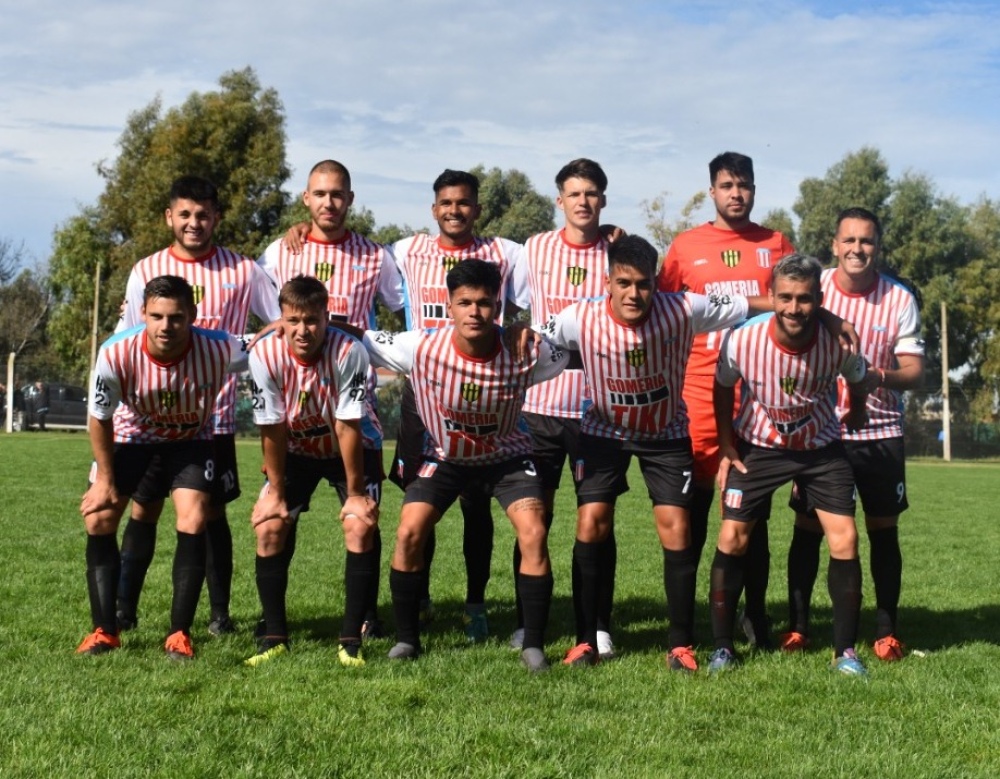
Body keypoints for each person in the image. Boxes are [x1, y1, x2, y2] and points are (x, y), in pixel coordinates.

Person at [543, 234, 770, 670]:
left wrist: (822, 316)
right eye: (624, 283)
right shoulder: (579, 318)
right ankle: (584, 641)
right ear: (607, 281)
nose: (634, 294)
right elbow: (534, 340)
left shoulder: (684, 308)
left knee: (677, 529)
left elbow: (751, 304)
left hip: (665, 433)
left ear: (656, 283)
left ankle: (680, 644)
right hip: (603, 432)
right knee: (591, 523)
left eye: (643, 284)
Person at [344, 259, 567, 671]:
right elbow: (356, 331)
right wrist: (279, 327)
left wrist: (529, 329)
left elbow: (570, 347)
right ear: (448, 306)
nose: (475, 312)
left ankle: (533, 643)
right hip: (445, 458)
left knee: (534, 531)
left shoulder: (525, 352)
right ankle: (407, 640)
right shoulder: (420, 347)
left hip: (507, 457)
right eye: (465, 302)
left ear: (498, 307)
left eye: (485, 303)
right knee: (410, 531)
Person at [114, 175, 280, 636]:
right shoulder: (144, 271)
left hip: (213, 417)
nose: (194, 223)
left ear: (216, 218)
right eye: (185, 214)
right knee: (142, 509)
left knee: (210, 512)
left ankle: (219, 614)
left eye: (203, 214)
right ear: (169, 216)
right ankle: (125, 607)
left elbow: (278, 322)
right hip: (146, 417)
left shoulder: (242, 271)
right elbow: (127, 339)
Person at [655, 151, 795, 648]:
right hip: (697, 394)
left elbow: (793, 313)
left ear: (754, 190)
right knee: (689, 511)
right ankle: (688, 620)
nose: (737, 193)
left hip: (757, 398)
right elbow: (665, 318)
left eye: (745, 185)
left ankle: (754, 617)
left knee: (751, 514)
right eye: (727, 185)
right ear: (711, 191)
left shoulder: (776, 244)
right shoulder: (685, 247)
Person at [260, 159, 403, 638]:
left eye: (337, 194)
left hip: (354, 407)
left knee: (364, 517)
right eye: (319, 194)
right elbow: (258, 308)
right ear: (306, 199)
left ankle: (365, 615)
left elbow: (407, 307)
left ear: (351, 200)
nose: (328, 203)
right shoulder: (281, 251)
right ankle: (272, 619)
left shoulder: (375, 256)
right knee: (279, 516)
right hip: (298, 411)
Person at [708, 254, 870, 676]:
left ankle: (845, 652)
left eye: (803, 298)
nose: (793, 308)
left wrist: (856, 409)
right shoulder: (743, 340)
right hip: (759, 446)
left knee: (846, 539)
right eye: (785, 297)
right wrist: (727, 444)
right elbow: (723, 387)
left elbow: (859, 374)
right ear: (772, 296)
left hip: (820, 449)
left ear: (819, 298)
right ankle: (723, 648)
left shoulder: (838, 344)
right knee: (733, 536)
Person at [386, 169, 528, 641]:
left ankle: (476, 604)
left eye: (464, 203)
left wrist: (610, 236)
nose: (454, 210)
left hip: (485, 387)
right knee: (419, 504)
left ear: (477, 209)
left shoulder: (505, 253)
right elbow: (357, 259)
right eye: (446, 203)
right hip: (422, 395)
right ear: (434, 209)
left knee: (477, 507)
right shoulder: (406, 251)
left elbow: (557, 280)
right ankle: (419, 597)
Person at [76, 275, 248, 659]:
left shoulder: (221, 347)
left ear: (193, 316)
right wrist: (105, 480)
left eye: (176, 317)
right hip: (132, 438)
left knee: (193, 519)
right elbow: (99, 417)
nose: (166, 326)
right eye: (157, 316)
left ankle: (178, 634)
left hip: (190, 441)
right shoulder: (115, 352)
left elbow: (273, 341)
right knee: (99, 518)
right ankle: (104, 631)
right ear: (143, 314)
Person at [781, 208, 925, 661]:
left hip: (880, 433)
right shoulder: (815, 289)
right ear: (834, 244)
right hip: (822, 434)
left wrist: (874, 377)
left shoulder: (898, 298)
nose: (857, 249)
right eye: (849, 241)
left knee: (882, 530)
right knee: (808, 528)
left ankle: (885, 631)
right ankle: (799, 627)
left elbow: (915, 371)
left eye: (866, 241)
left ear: (877, 247)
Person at [509, 158, 618, 658]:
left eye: (592, 193)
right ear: (560, 200)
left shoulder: (617, 253)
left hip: (597, 410)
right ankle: (527, 621)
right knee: (535, 516)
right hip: (538, 410)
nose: (583, 201)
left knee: (596, 521)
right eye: (574, 193)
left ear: (602, 199)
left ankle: (597, 625)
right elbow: (504, 304)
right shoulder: (532, 250)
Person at [244, 276, 379, 667]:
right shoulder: (264, 354)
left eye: (312, 320)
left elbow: (347, 424)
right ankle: (273, 636)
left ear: (327, 317)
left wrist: (355, 494)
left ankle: (351, 639)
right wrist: (275, 491)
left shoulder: (349, 351)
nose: (303, 330)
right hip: (296, 447)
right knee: (270, 525)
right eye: (294, 320)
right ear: (281, 320)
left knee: (359, 524)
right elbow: (271, 427)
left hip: (350, 448)